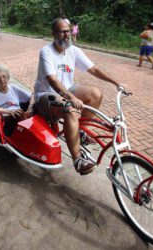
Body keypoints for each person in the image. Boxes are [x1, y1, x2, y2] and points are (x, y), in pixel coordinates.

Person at [34, 18, 122, 175]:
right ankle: (78, 160)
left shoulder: (73, 50)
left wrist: (116, 83)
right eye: (62, 31)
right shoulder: (46, 51)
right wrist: (71, 98)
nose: (66, 35)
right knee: (71, 109)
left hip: (67, 89)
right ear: (53, 33)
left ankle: (80, 131)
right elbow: (53, 81)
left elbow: (93, 69)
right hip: (46, 94)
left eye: (68, 31)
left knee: (95, 94)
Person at [0, 66, 34, 136]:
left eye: (4, 76)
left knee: (38, 104)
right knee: (20, 113)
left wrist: (30, 108)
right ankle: (29, 133)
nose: (1, 80)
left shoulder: (13, 87)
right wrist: (8, 111)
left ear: (8, 78)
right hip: (5, 120)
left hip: (20, 115)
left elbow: (32, 95)